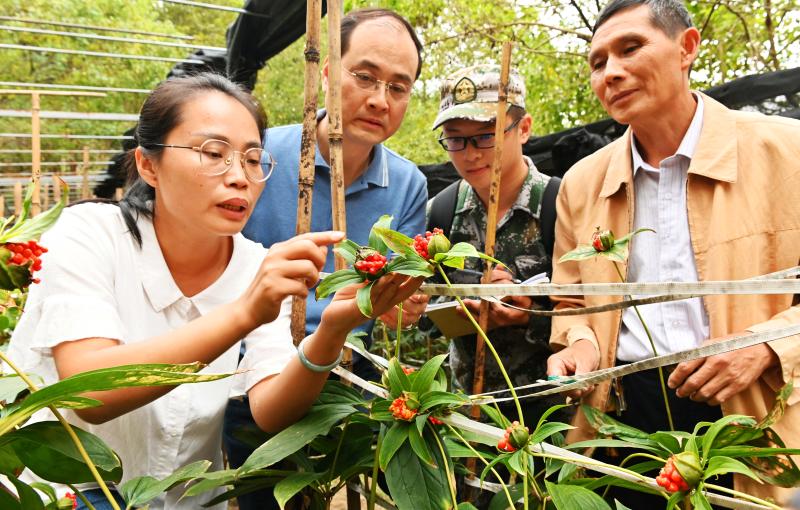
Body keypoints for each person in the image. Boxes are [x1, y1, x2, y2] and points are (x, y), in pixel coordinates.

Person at [5, 73, 421, 510]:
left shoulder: (253, 265)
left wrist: (332, 332)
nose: (240, 177)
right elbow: (87, 394)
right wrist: (244, 313)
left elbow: (270, 409)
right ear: (149, 165)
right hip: (64, 497)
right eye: (213, 153)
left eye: (253, 159)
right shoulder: (89, 233)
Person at [546, 0, 800, 505]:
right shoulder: (581, 183)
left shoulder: (787, 153)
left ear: (687, 48)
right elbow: (571, 302)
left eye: (630, 48)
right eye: (597, 63)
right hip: (621, 422)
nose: (611, 72)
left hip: (752, 413)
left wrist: (768, 345)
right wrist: (579, 346)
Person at [225, 7, 430, 509]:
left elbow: (394, 304)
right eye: (364, 76)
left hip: (348, 376)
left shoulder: (407, 185)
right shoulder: (260, 157)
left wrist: (398, 307)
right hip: (250, 367)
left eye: (399, 88)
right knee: (261, 496)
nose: (380, 100)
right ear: (323, 72)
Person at [424, 64, 569, 504]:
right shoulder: (442, 213)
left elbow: (593, 314)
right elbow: (426, 322)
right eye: (455, 140)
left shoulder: (561, 204)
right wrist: (458, 309)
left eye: (485, 136)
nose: (469, 154)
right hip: (468, 414)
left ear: (522, 128)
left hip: (547, 418)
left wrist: (531, 313)